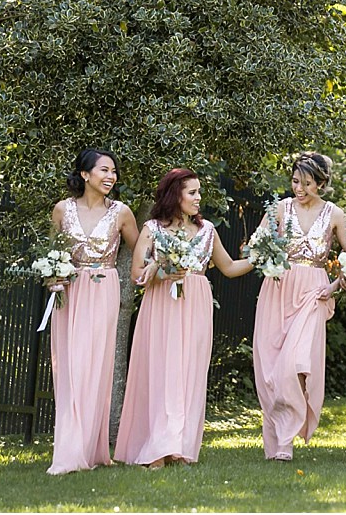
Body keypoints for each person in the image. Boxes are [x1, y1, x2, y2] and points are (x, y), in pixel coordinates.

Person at [114, 168, 253, 468]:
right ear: (175, 195)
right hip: (162, 305)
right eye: (192, 192)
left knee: (189, 373)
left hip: (196, 306)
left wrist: (260, 259)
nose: (199, 198)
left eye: (199, 192)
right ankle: (157, 449)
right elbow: (137, 274)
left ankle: (179, 446)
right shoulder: (152, 229)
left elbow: (229, 267)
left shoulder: (208, 231)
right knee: (162, 372)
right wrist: (162, 271)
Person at [252, 152, 346, 461]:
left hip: (313, 293)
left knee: (295, 364)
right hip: (278, 290)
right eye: (295, 181)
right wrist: (267, 257)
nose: (299, 188)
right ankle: (277, 442)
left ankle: (286, 439)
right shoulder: (279, 209)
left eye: (307, 183)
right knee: (271, 368)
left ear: (321, 184)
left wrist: (334, 286)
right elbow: (257, 245)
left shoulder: (336, 215)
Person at [46, 149, 139, 475]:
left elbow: (141, 250)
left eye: (114, 171)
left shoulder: (121, 213)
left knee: (93, 366)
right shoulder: (62, 209)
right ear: (85, 174)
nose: (111, 177)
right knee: (70, 366)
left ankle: (85, 448)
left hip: (103, 290)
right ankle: (72, 447)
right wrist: (52, 276)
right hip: (69, 293)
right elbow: (51, 252)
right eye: (104, 170)